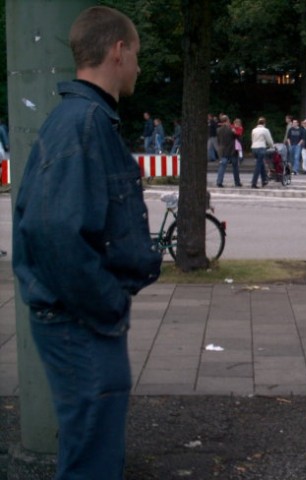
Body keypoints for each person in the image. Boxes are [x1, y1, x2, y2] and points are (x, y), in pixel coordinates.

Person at [12, 6, 162, 479]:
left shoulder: (82, 120)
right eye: (136, 54)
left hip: (80, 323)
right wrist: (107, 306)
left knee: (89, 455)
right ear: (118, 51)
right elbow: (55, 232)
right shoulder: (84, 125)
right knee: (91, 465)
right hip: (83, 326)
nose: (138, 65)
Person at [216, 115, 242, 188]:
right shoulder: (231, 129)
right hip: (231, 150)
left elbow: (218, 140)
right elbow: (237, 137)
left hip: (222, 150)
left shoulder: (218, 130)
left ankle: (219, 181)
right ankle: (237, 182)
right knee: (235, 166)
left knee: (222, 166)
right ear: (227, 120)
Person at [251, 116, 274, 188]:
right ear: (264, 123)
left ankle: (264, 180)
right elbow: (269, 141)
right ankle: (254, 183)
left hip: (254, 148)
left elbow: (252, 139)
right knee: (258, 166)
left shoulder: (254, 130)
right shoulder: (265, 130)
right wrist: (272, 146)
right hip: (261, 148)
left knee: (261, 164)